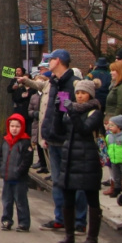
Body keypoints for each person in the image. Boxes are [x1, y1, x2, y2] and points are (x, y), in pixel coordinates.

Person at [57, 80, 105, 243]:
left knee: (92, 198)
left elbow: (84, 130)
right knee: (68, 197)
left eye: (83, 93)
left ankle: (92, 238)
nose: (80, 96)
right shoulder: (71, 111)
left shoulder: (95, 112)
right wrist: (59, 111)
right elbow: (63, 130)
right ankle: (69, 235)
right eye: (77, 93)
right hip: (70, 156)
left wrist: (71, 111)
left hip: (87, 158)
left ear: (90, 94)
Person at [39, 50, 83, 233]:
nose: (48, 63)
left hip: (67, 141)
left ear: (58, 61)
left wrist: (65, 134)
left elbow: (67, 113)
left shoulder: (71, 84)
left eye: (50, 60)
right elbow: (52, 111)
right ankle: (60, 218)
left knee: (74, 182)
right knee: (57, 182)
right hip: (54, 139)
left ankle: (79, 220)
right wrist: (47, 134)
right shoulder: (55, 83)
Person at [0, 113, 32, 231]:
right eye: (12, 126)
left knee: (20, 201)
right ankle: (6, 220)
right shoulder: (5, 140)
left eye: (17, 126)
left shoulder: (25, 142)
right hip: (7, 176)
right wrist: (1, 167)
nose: (14, 129)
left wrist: (19, 171)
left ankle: (24, 222)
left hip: (19, 178)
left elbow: (27, 160)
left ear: (22, 127)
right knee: (7, 200)